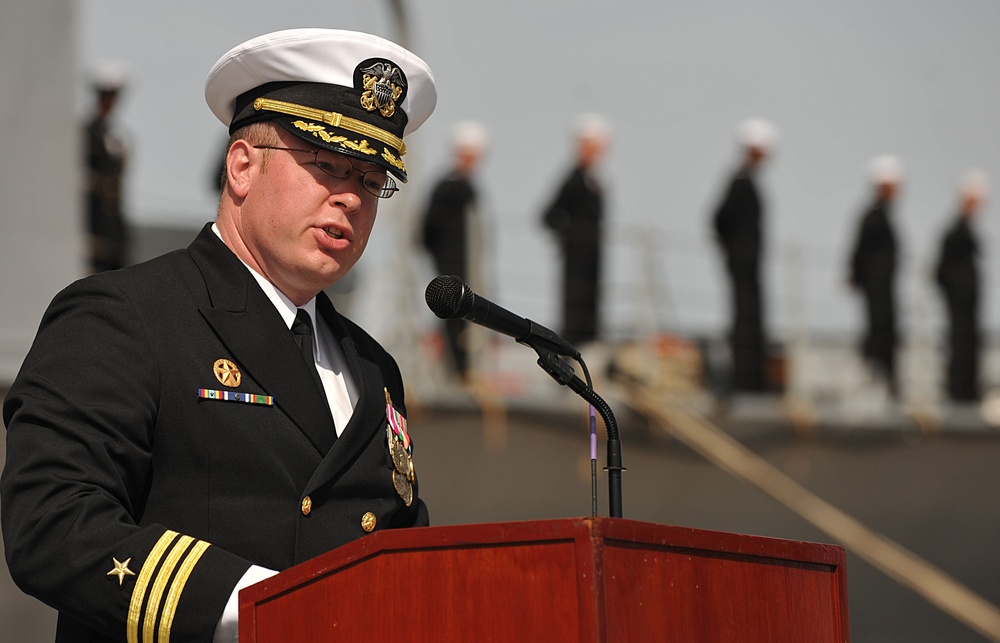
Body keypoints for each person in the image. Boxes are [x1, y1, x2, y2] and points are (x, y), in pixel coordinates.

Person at [1, 28, 437, 643]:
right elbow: (51, 525)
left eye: (370, 180)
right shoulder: (124, 317)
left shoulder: (373, 369)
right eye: (327, 165)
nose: (349, 198)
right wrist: (268, 607)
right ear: (241, 166)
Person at [420, 120, 489, 379]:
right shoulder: (451, 187)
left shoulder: (459, 186)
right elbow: (429, 228)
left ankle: (462, 367)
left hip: (462, 263)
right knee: (455, 312)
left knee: (463, 314)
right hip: (453, 263)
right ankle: (459, 370)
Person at [711, 119, 775, 393]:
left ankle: (752, 376)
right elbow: (719, 217)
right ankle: (745, 378)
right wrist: (734, 247)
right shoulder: (741, 182)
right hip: (743, 262)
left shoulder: (746, 180)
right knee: (745, 317)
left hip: (749, 262)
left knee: (752, 316)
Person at [541, 114, 610, 347]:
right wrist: (569, 235)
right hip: (577, 260)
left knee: (590, 306)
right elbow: (549, 214)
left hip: (592, 258)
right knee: (575, 308)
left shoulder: (593, 180)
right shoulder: (573, 180)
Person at [848, 155, 903, 397]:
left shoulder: (880, 216)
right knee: (878, 332)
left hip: (882, 287)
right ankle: (878, 380)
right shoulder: (875, 217)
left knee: (884, 331)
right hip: (877, 288)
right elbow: (859, 250)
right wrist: (857, 276)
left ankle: (884, 381)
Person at [934, 170, 988, 402]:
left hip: (966, 303)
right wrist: (956, 293)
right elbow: (941, 270)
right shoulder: (956, 232)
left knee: (968, 345)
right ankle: (961, 392)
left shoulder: (962, 230)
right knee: (961, 346)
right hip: (960, 303)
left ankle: (966, 391)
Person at [84, 61, 131, 272]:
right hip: (93, 222)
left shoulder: (117, 135)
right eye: (105, 96)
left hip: (114, 225)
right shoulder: (86, 133)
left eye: (113, 97)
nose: (109, 102)